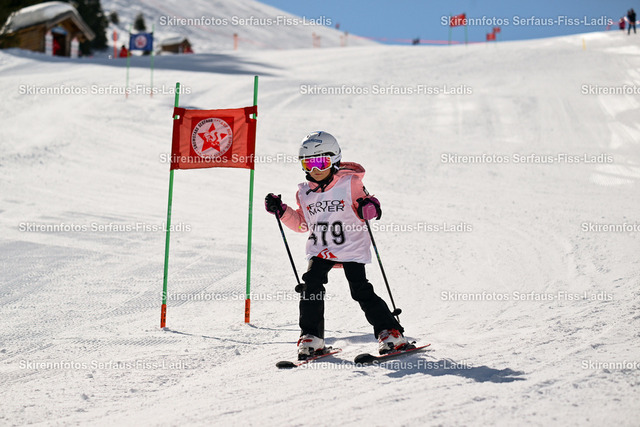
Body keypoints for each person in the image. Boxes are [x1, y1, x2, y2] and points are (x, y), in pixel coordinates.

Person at [265, 131, 409, 360]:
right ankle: (312, 337)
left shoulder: (350, 183)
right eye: (308, 163)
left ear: (334, 160)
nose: (315, 169)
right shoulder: (304, 192)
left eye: (321, 162)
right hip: (320, 249)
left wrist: (370, 207)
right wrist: (282, 212)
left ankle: (390, 332)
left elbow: (367, 205)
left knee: (360, 290)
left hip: (350, 247)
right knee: (310, 286)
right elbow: (303, 224)